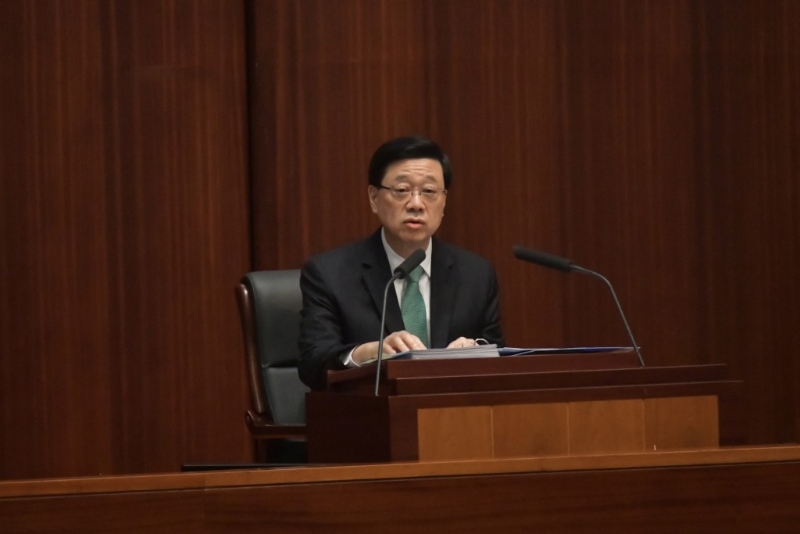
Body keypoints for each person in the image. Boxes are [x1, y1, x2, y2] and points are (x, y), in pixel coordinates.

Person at [298, 136, 504, 390]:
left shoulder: (476, 274)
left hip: (453, 410)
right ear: (374, 198)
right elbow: (312, 364)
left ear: (444, 202)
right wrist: (367, 353)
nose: (416, 204)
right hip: (372, 410)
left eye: (429, 191)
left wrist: (476, 350)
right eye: (402, 190)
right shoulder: (330, 274)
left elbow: (499, 355)